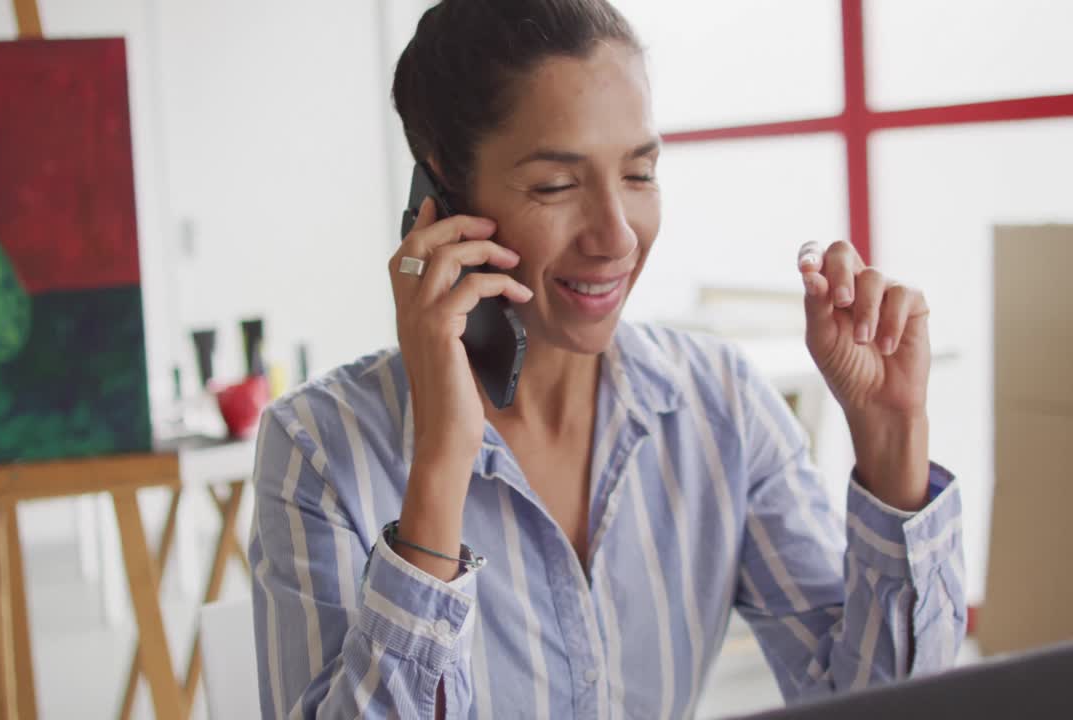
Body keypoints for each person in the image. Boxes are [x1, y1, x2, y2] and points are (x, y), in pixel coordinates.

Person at [248, 2, 965, 718]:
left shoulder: (721, 405)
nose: (617, 237)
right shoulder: (318, 449)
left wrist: (892, 439)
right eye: (557, 185)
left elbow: (879, 705)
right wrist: (441, 462)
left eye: (639, 175)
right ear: (440, 198)